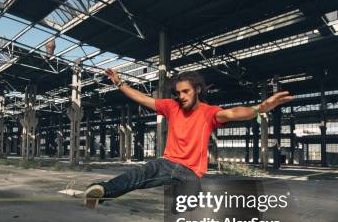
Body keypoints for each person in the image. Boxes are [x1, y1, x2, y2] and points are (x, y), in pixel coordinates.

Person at [83, 68, 294, 209]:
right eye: (178, 92)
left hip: (190, 174)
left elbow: (233, 113)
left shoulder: (209, 112)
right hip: (168, 163)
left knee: (188, 209)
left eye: (186, 91)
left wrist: (259, 108)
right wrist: (120, 83)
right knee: (141, 173)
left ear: (197, 90)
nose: (181, 96)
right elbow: (143, 98)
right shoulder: (171, 106)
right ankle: (102, 190)